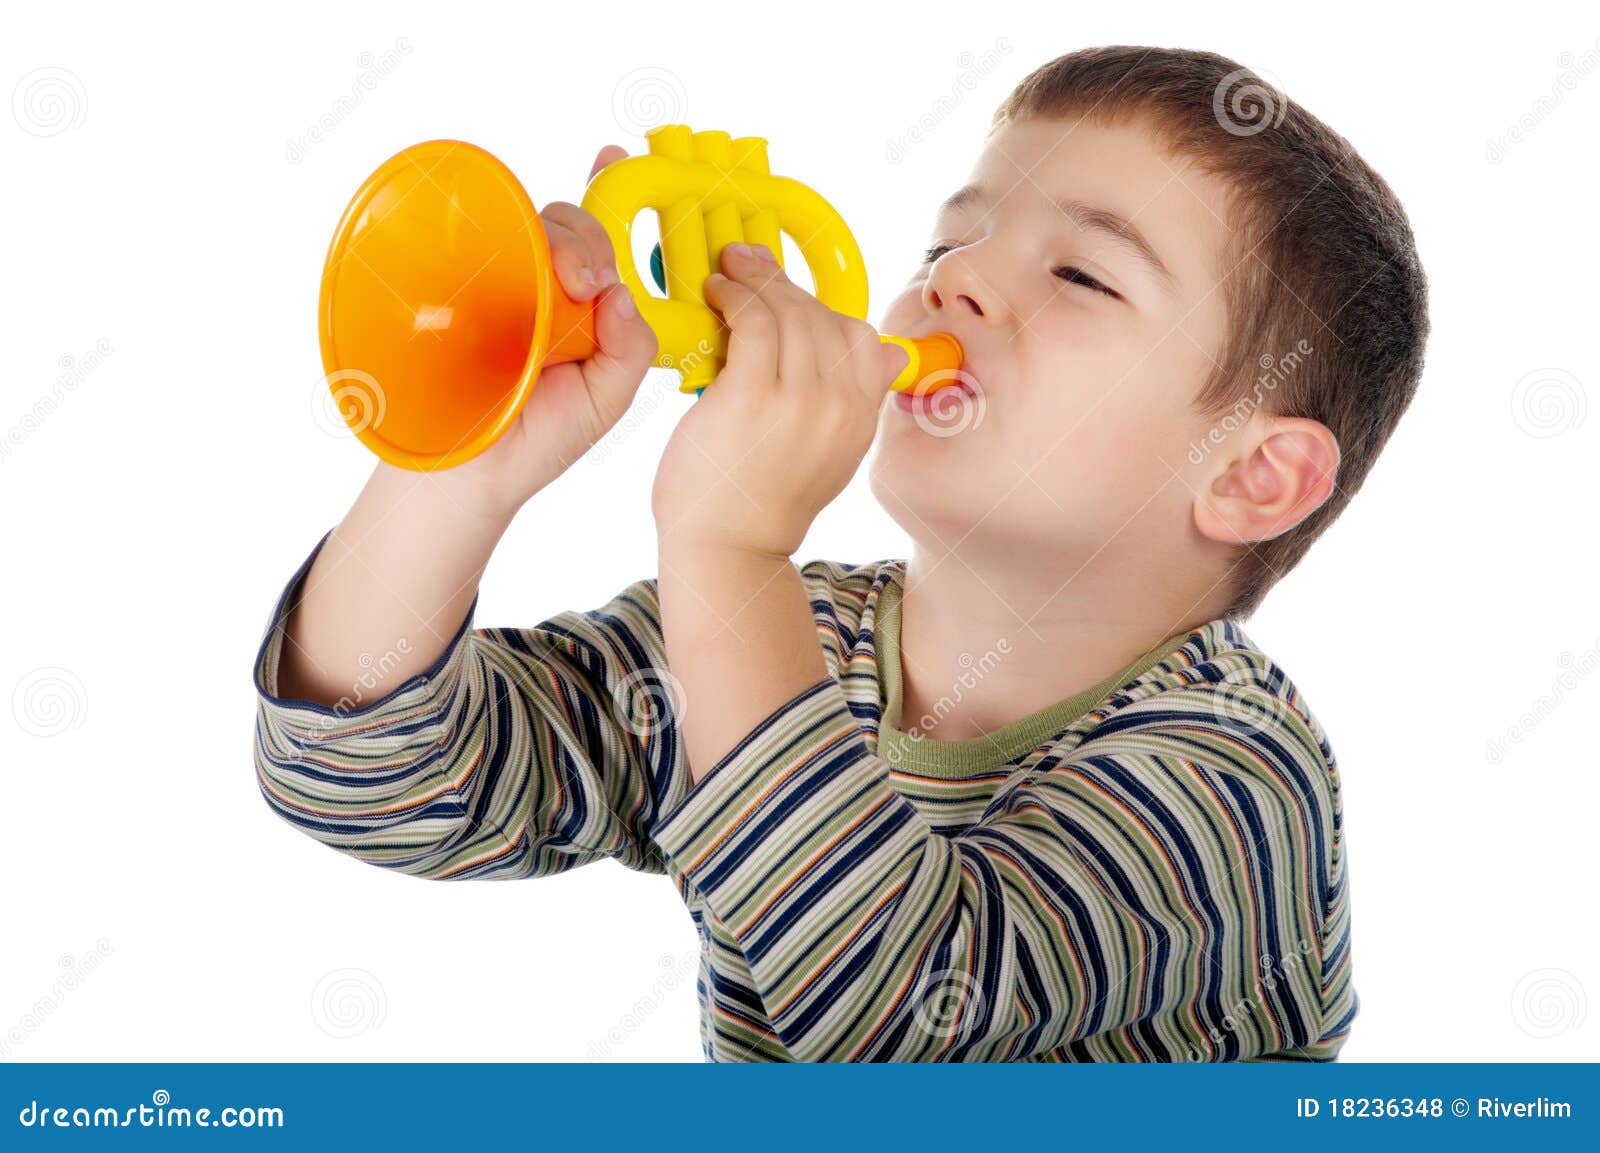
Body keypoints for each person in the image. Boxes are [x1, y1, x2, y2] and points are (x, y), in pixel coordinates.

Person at [252, 45, 1427, 1062]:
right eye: (950, 241)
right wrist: (477, 454)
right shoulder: (782, 636)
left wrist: (731, 544)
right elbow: (364, 775)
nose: (950, 280)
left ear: (1247, 475)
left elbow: (887, 1019)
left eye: (1077, 272)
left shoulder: (1233, 773)